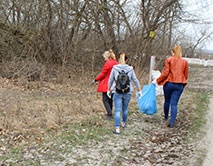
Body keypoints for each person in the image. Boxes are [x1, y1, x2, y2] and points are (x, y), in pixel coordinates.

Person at [108, 53, 141, 134]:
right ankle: (123, 123)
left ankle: (117, 129)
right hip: (127, 91)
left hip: (117, 91)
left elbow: (110, 79)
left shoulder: (115, 68)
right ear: (126, 60)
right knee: (125, 109)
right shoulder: (130, 69)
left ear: (119, 60)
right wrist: (139, 90)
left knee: (117, 110)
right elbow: (135, 80)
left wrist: (108, 90)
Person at [156, 45, 188, 128]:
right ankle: (172, 122)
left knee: (167, 100)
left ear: (172, 52)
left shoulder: (169, 60)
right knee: (174, 104)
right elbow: (186, 75)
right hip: (179, 84)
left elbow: (165, 73)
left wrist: (158, 80)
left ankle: (166, 117)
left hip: (169, 83)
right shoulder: (184, 62)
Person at [93, 50, 119, 120]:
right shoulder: (116, 63)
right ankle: (109, 112)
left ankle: (110, 114)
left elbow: (103, 74)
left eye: (105, 57)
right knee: (110, 99)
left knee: (105, 100)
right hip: (115, 84)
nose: (104, 59)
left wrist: (96, 79)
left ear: (108, 57)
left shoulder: (107, 64)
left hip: (107, 84)